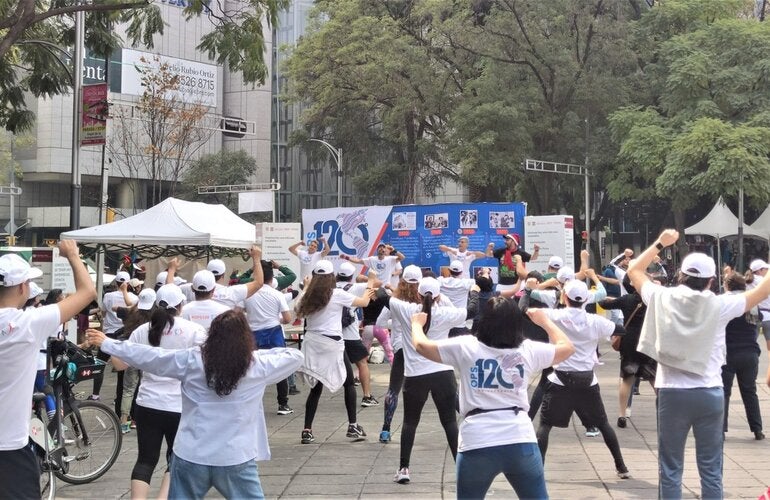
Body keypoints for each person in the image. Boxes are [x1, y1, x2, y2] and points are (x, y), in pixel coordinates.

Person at [87, 308, 303, 498]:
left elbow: (151, 356)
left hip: (191, 455)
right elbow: (294, 356)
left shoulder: (192, 360)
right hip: (234, 457)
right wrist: (252, 353)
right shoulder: (259, 365)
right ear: (246, 337)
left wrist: (109, 343)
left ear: (212, 335)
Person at [627, 229, 770, 499]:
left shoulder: (660, 296)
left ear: (681, 276)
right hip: (710, 392)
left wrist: (660, 243)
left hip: (671, 393)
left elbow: (634, 270)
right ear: (711, 281)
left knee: (670, 468)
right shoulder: (720, 305)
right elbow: (763, 291)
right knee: (711, 468)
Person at [410, 298, 574, 499]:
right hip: (519, 437)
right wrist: (545, 322)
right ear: (517, 324)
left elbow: (421, 345)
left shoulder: (466, 346)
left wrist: (416, 324)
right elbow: (567, 347)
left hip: (477, 440)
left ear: (484, 320)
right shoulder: (528, 350)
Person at [91, 284, 207, 500]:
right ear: (181, 305)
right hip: (179, 405)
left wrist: (112, 344)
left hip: (146, 403)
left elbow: (120, 365)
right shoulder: (194, 330)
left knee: (145, 460)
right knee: (175, 458)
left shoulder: (142, 330)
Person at [0, 241, 96, 499]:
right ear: (23, 287)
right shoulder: (28, 323)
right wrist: (72, 255)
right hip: (10, 447)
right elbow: (87, 292)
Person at [535, 280, 631, 479]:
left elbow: (529, 311)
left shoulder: (555, 315)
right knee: (603, 424)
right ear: (586, 299)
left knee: (545, 425)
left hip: (560, 378)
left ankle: (538, 469)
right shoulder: (595, 321)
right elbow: (620, 329)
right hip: (587, 379)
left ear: (564, 297)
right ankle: (621, 466)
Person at [390, 276, 478, 484]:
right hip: (442, 372)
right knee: (450, 422)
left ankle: (404, 469)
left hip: (415, 375)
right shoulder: (446, 312)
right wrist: (474, 290)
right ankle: (462, 469)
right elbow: (472, 310)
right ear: (438, 296)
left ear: (418, 294)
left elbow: (388, 297)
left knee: (410, 422)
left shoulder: (406, 310)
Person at [295, 259, 375, 444]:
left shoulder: (307, 296)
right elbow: (364, 302)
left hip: (312, 343)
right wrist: (370, 281)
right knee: (349, 384)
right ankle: (353, 425)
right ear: (332, 276)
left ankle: (307, 430)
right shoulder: (337, 294)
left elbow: (297, 312)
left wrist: (305, 287)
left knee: (316, 388)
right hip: (333, 344)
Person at [599, 275, 656, 428]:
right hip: (648, 340)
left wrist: (606, 297)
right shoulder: (654, 299)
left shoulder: (627, 299)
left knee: (627, 379)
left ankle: (622, 415)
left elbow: (603, 304)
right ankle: (665, 412)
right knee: (654, 379)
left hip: (629, 341)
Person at [375, 265, 423, 443]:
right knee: (440, 388)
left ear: (402, 281)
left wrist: (396, 324)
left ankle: (386, 429)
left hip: (401, 347)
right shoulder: (424, 301)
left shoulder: (394, 301)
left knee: (393, 389)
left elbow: (380, 323)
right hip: (421, 347)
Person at [244, 260, 294, 415]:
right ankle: (283, 404)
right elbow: (287, 318)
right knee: (280, 368)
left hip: (253, 334)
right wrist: (276, 320)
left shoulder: (248, 294)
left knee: (252, 368)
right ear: (272, 278)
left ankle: (251, 404)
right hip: (274, 333)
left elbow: (238, 312)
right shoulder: (277, 294)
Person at [721, 272, 764, 440]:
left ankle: (721, 430)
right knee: (750, 391)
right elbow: (759, 319)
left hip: (727, 353)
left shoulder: (722, 302)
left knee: (724, 392)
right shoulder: (751, 302)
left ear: (727, 285)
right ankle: (757, 429)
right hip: (750, 353)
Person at [335, 261, 381, 407]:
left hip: (333, 333)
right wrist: (369, 277)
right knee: (362, 363)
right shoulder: (356, 287)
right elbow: (378, 284)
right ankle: (367, 396)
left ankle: (315, 393)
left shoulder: (330, 288)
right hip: (351, 334)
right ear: (351, 276)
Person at [113, 287, 156, 434]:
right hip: (148, 357)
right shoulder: (157, 319)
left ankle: (123, 421)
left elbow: (116, 308)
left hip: (131, 355)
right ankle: (137, 420)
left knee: (128, 390)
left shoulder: (131, 314)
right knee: (144, 387)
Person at [90, 271, 137, 401]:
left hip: (108, 334)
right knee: (122, 369)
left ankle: (95, 395)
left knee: (100, 365)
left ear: (116, 283)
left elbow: (104, 312)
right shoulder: (134, 298)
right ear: (128, 283)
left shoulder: (108, 296)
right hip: (125, 334)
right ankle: (119, 398)